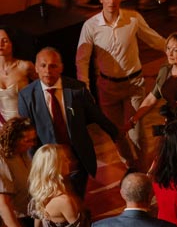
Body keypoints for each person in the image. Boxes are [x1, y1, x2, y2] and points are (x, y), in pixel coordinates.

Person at [18, 48, 132, 195]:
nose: (47, 70)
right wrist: (36, 165)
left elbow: (96, 115)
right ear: (36, 68)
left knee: (78, 194)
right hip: (49, 161)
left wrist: (116, 133)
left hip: (78, 156)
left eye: (53, 66)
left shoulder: (77, 89)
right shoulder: (26, 96)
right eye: (43, 65)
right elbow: (29, 135)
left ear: (61, 68)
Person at [75, 0, 166, 146]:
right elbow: (82, 60)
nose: (112, 1)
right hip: (107, 88)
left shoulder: (133, 18)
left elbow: (154, 40)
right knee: (116, 135)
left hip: (134, 85)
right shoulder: (90, 26)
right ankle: (128, 162)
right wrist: (85, 88)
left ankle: (142, 163)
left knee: (137, 135)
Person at [27, 143, 89, 227]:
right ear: (54, 167)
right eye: (64, 160)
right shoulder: (64, 201)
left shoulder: (39, 195)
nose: (69, 162)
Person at [0, 116, 37, 227]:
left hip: (31, 216)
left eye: (33, 140)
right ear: (14, 140)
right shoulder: (2, 160)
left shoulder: (22, 153)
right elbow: (4, 204)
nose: (32, 144)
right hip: (18, 223)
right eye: (27, 140)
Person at [0, 26, 36, 122]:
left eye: (5, 41)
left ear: (12, 43)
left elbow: (43, 88)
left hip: (25, 123)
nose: (0, 44)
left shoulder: (25, 66)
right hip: (3, 125)